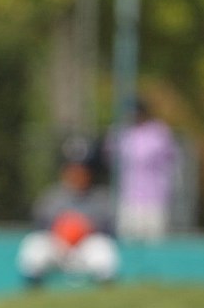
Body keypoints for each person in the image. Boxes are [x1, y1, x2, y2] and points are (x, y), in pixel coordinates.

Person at [16, 135, 119, 285]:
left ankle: (105, 291)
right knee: (34, 245)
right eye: (72, 169)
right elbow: (39, 227)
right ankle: (32, 289)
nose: (77, 174)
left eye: (83, 170)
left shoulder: (101, 199)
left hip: (85, 250)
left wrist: (85, 228)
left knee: (103, 248)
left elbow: (110, 233)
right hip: (59, 249)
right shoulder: (51, 198)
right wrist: (61, 229)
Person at [112, 99, 179, 242]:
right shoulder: (124, 133)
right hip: (129, 198)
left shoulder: (159, 133)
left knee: (154, 244)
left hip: (154, 199)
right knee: (129, 242)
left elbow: (168, 160)